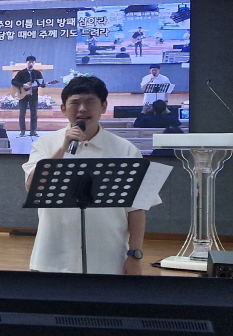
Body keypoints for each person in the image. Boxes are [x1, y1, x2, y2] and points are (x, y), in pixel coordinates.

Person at [23, 76, 157, 275]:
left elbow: (137, 209)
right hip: (52, 257)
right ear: (63, 109)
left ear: (104, 106)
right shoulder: (45, 144)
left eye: (90, 102)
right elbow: (33, 186)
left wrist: (134, 254)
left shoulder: (126, 149)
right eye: (75, 103)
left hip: (109, 258)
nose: (82, 109)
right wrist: (63, 148)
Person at [11, 56, 45, 137]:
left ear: (34, 63)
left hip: (34, 96)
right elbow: (13, 81)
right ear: (26, 62)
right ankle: (22, 131)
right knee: (22, 114)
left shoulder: (37, 73)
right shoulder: (21, 73)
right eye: (29, 62)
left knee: (34, 114)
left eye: (32, 62)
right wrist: (23, 85)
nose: (31, 63)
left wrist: (44, 85)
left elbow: (41, 84)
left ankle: (33, 131)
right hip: (23, 96)